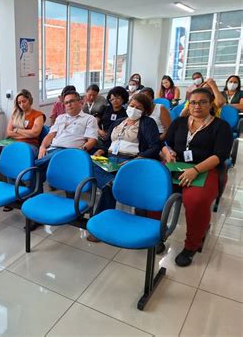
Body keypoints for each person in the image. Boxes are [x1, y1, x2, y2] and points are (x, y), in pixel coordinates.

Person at [162, 88, 232, 267]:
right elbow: (165, 143)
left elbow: (220, 155)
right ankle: (156, 233)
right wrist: (167, 152)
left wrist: (195, 169)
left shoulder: (220, 126)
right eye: (193, 102)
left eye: (203, 102)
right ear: (188, 104)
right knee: (156, 189)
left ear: (211, 104)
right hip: (176, 166)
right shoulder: (179, 122)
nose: (197, 106)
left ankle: (192, 244)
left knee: (196, 200)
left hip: (205, 169)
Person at [91, 93, 161, 242]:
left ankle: (101, 223)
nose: (133, 109)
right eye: (131, 105)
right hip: (110, 159)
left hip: (131, 161)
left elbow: (154, 147)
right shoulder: (120, 121)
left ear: (145, 111)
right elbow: (107, 141)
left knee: (108, 188)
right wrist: (100, 150)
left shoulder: (148, 123)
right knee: (88, 162)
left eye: (138, 107)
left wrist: (138, 158)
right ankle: (111, 182)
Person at [37, 90, 98, 190]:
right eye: (66, 103)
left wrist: (81, 150)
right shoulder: (60, 118)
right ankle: (35, 195)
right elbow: (50, 135)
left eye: (72, 101)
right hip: (53, 150)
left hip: (71, 151)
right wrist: (42, 147)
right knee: (38, 172)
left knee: (36, 168)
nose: (69, 105)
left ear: (80, 102)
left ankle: (29, 168)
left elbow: (92, 140)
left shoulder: (89, 119)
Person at [5, 89, 45, 157]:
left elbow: (34, 133)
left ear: (29, 100)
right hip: (15, 143)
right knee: (5, 151)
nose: (22, 105)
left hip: (30, 145)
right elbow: (9, 132)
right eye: (19, 103)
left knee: (19, 154)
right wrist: (27, 134)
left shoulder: (38, 115)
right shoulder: (15, 114)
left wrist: (18, 130)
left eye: (24, 101)